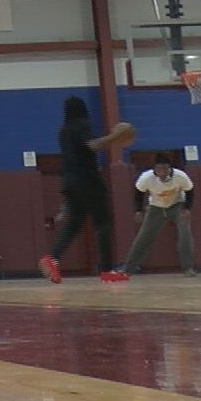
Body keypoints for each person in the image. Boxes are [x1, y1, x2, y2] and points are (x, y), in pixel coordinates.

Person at [38, 97, 130, 284]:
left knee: (74, 223)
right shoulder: (82, 124)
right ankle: (107, 270)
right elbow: (92, 145)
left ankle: (52, 257)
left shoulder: (63, 131)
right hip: (87, 178)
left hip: (68, 180)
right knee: (102, 223)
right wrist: (115, 137)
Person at [118, 154, 196, 276]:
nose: (162, 172)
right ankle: (128, 269)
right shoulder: (146, 177)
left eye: (164, 169)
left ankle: (187, 268)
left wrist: (187, 208)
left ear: (169, 168)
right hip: (156, 208)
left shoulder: (180, 176)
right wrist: (138, 211)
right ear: (154, 169)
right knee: (143, 237)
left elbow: (190, 190)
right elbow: (138, 193)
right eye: (158, 169)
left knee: (184, 233)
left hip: (177, 205)